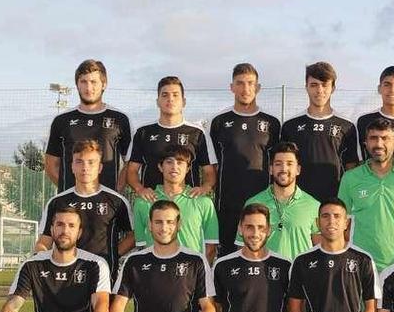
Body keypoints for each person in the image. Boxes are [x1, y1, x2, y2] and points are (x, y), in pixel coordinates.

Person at [208, 63, 281, 257]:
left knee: (263, 256)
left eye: (250, 83)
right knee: (229, 259)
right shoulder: (219, 122)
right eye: (240, 83)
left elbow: (277, 165)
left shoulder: (272, 123)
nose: (245, 89)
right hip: (228, 205)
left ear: (258, 87)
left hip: (264, 203)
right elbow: (212, 166)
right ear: (231, 87)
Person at [339, 118, 394, 271]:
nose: (379, 144)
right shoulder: (350, 178)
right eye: (373, 138)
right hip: (361, 266)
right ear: (365, 143)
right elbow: (341, 224)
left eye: (385, 138)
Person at [37, 140, 134, 276]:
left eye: (91, 162)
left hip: (103, 278)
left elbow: (132, 236)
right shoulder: (57, 202)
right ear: (72, 166)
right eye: (79, 162)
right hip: (66, 278)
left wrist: (111, 255)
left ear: (100, 167)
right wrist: (49, 262)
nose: (85, 167)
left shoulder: (117, 201)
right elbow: (43, 242)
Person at [45, 59, 131, 193]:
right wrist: (70, 192)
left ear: (104, 84)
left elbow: (130, 163)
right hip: (71, 206)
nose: (88, 87)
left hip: (106, 203)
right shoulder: (61, 120)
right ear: (77, 85)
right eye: (83, 82)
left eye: (93, 82)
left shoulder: (120, 119)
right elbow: (51, 166)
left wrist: (116, 190)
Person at [126, 76, 216, 200]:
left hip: (188, 202)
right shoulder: (143, 132)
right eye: (165, 95)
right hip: (153, 203)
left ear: (183, 101)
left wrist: (205, 187)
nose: (170, 99)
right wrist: (140, 189)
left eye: (175, 95)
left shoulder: (198, 132)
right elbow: (132, 170)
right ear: (157, 101)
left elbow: (209, 172)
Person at [281, 62, 358, 202]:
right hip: (298, 202)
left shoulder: (347, 126)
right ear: (306, 87)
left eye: (324, 85)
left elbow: (351, 168)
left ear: (333, 88)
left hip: (334, 202)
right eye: (314, 85)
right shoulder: (290, 126)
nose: (319, 90)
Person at [132, 145, 219, 263]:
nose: (174, 167)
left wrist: (198, 276)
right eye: (169, 162)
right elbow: (142, 247)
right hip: (154, 274)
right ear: (160, 167)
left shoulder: (203, 202)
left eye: (180, 163)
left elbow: (211, 247)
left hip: (190, 275)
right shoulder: (143, 202)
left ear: (188, 168)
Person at [238, 142, 320, 260]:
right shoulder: (253, 204)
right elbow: (242, 249)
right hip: (264, 276)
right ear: (271, 169)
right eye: (278, 164)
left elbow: (319, 249)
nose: (283, 169)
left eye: (289, 164)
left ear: (298, 169)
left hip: (300, 276)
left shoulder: (314, 205)